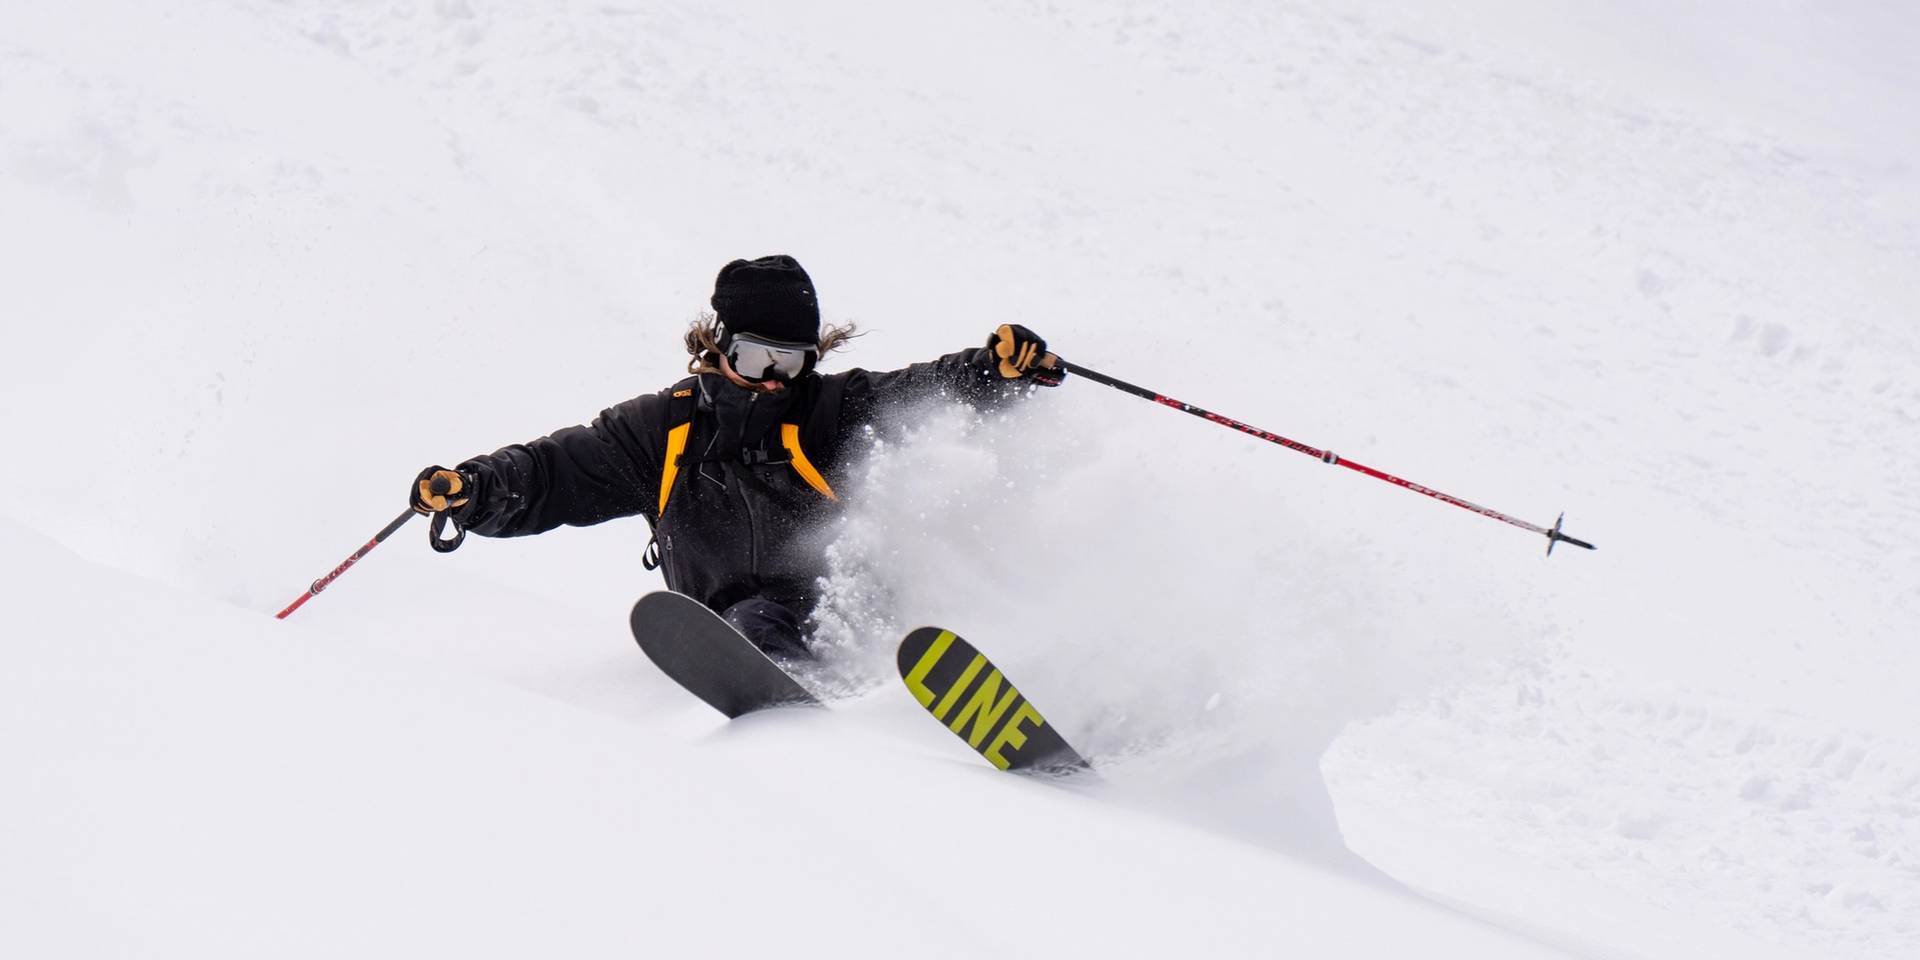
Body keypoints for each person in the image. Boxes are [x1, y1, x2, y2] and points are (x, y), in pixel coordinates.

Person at [410, 254, 1062, 659]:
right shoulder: (659, 431)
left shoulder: (832, 410)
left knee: (782, 615)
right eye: (758, 357)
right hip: (727, 632)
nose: (776, 377)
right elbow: (555, 472)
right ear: (719, 346)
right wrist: (474, 490)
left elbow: (921, 392)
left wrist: (995, 373)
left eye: (793, 360)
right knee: (752, 621)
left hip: (847, 616)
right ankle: (771, 686)